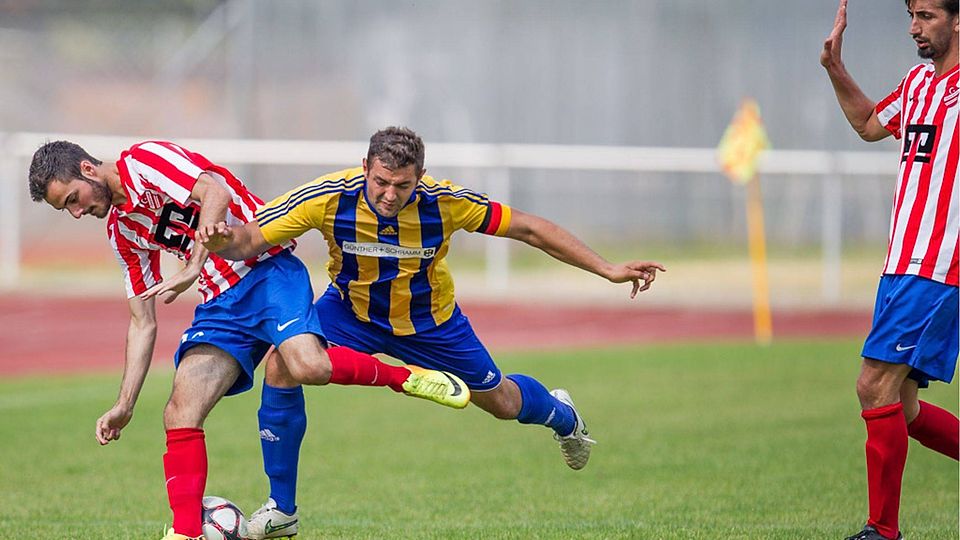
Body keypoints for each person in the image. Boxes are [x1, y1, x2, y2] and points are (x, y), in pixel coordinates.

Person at [200, 126, 666, 538]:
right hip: (350, 315)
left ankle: (563, 416)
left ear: (419, 178)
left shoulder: (446, 204)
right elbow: (252, 239)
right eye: (380, 182)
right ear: (365, 168)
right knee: (283, 363)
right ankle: (282, 510)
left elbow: (528, 229)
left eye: (401, 185)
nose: (388, 194)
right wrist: (221, 239)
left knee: (502, 403)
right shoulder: (327, 196)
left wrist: (607, 268)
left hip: (432, 325)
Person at [27, 140, 470, 540]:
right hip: (221, 302)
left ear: (87, 170)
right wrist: (124, 404)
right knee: (180, 409)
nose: (76, 213)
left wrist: (192, 266)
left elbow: (215, 191)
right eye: (64, 210)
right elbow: (142, 320)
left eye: (72, 200)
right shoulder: (121, 231)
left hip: (267, 267)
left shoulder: (144, 162)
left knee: (308, 366)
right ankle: (186, 534)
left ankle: (404, 377)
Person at [821, 1, 959, 539]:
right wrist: (836, 69)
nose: (913, 27)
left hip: (936, 267)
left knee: (872, 385)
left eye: (926, 15)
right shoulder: (918, 82)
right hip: (899, 266)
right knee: (901, 408)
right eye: (911, 14)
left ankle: (883, 531)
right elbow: (869, 124)